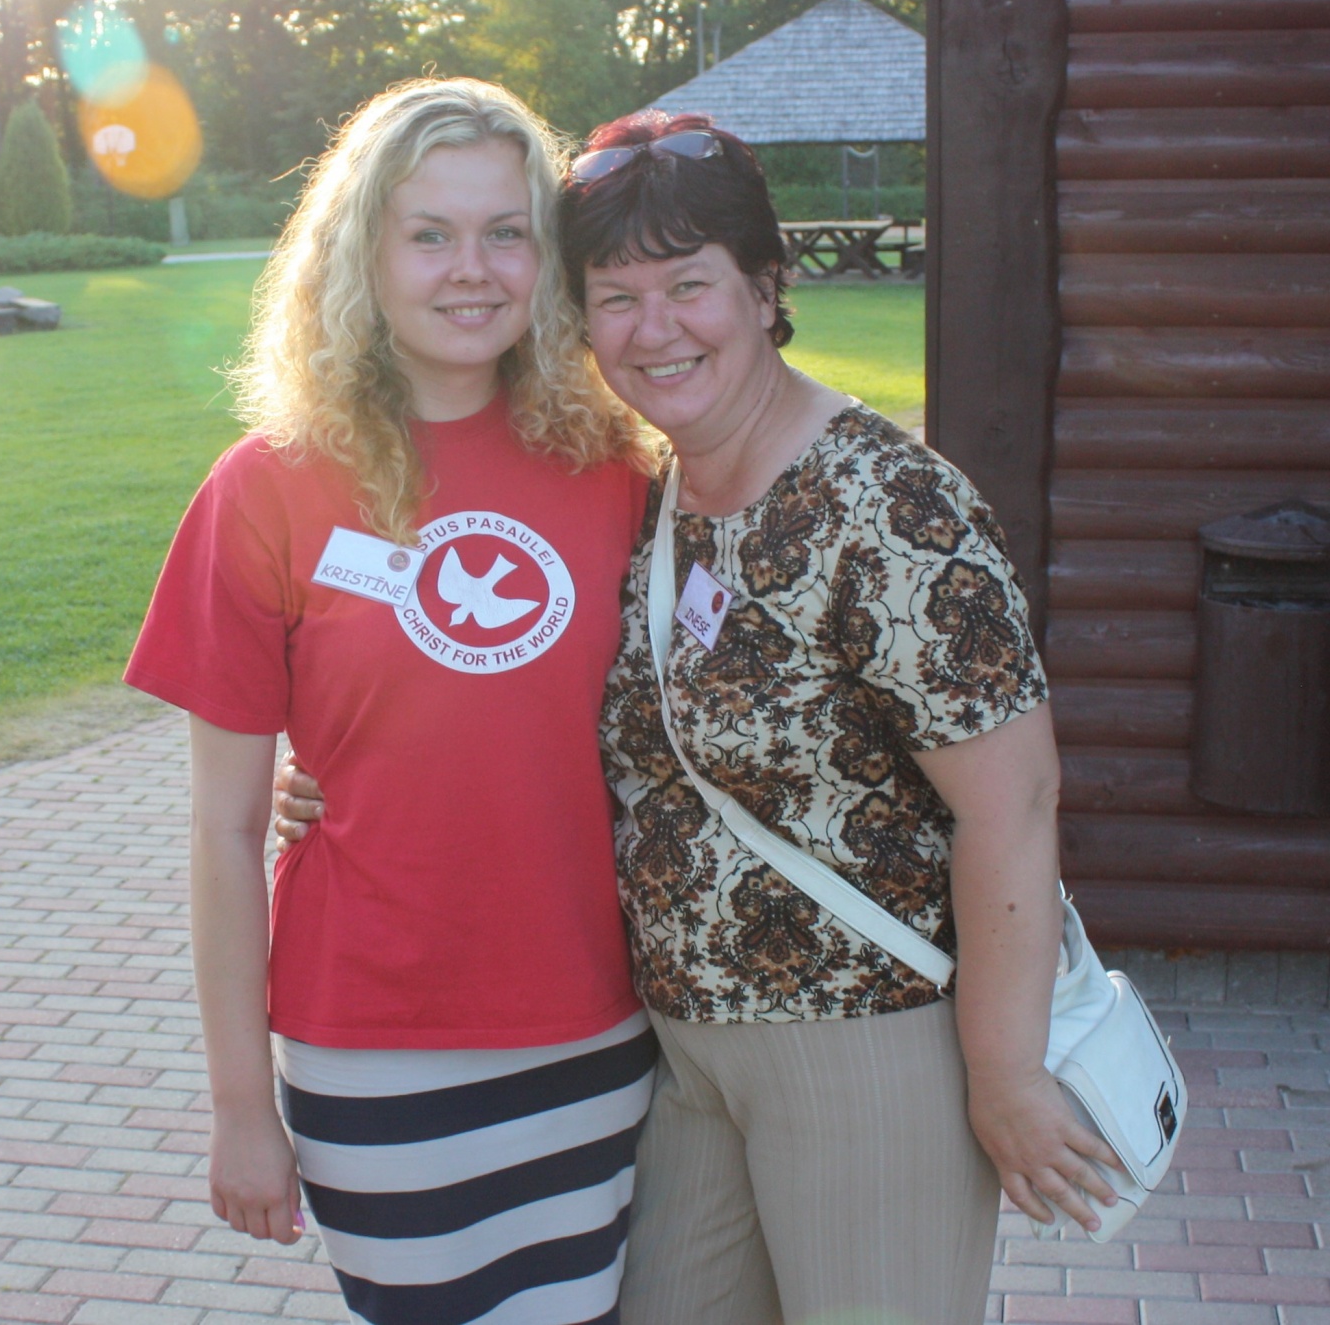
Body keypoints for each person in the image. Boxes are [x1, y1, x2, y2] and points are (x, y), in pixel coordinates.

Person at [277, 110, 1125, 1325]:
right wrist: (329, 776)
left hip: (865, 1039)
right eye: (614, 298)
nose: (654, 328)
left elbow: (1017, 803)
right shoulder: (654, 488)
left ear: (764, 288)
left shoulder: (889, 506)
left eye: (688, 286)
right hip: (680, 1053)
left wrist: (1003, 1074)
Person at [124, 78, 662, 1325]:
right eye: (429, 234)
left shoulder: (618, 471)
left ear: (545, 257)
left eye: (505, 232)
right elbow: (221, 831)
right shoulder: (265, 489)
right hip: (375, 1046)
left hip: (599, 1031)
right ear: (361, 254)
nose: (471, 269)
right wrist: (239, 1107)